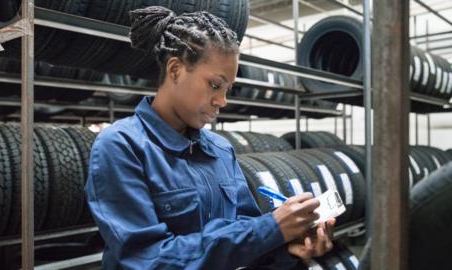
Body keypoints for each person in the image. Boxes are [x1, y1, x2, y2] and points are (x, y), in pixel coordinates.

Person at [84, 6, 335, 269]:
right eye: (215, 85)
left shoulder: (220, 149)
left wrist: (287, 247)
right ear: (175, 70)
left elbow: (245, 240)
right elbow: (147, 259)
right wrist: (269, 229)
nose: (222, 101)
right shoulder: (121, 146)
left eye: (228, 89)